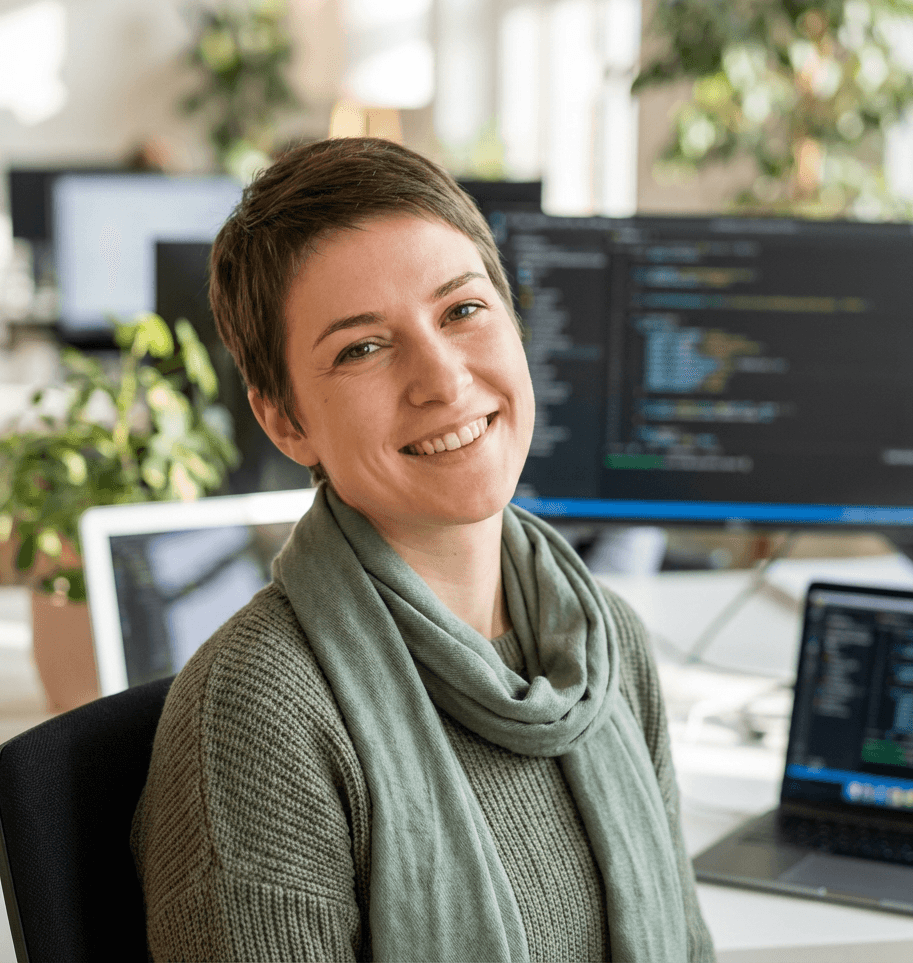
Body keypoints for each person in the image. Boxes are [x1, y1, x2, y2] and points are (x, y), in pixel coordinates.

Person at [131, 137, 716, 963]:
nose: (442, 380)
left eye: (462, 311)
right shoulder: (261, 716)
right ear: (286, 421)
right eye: (361, 348)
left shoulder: (605, 639)